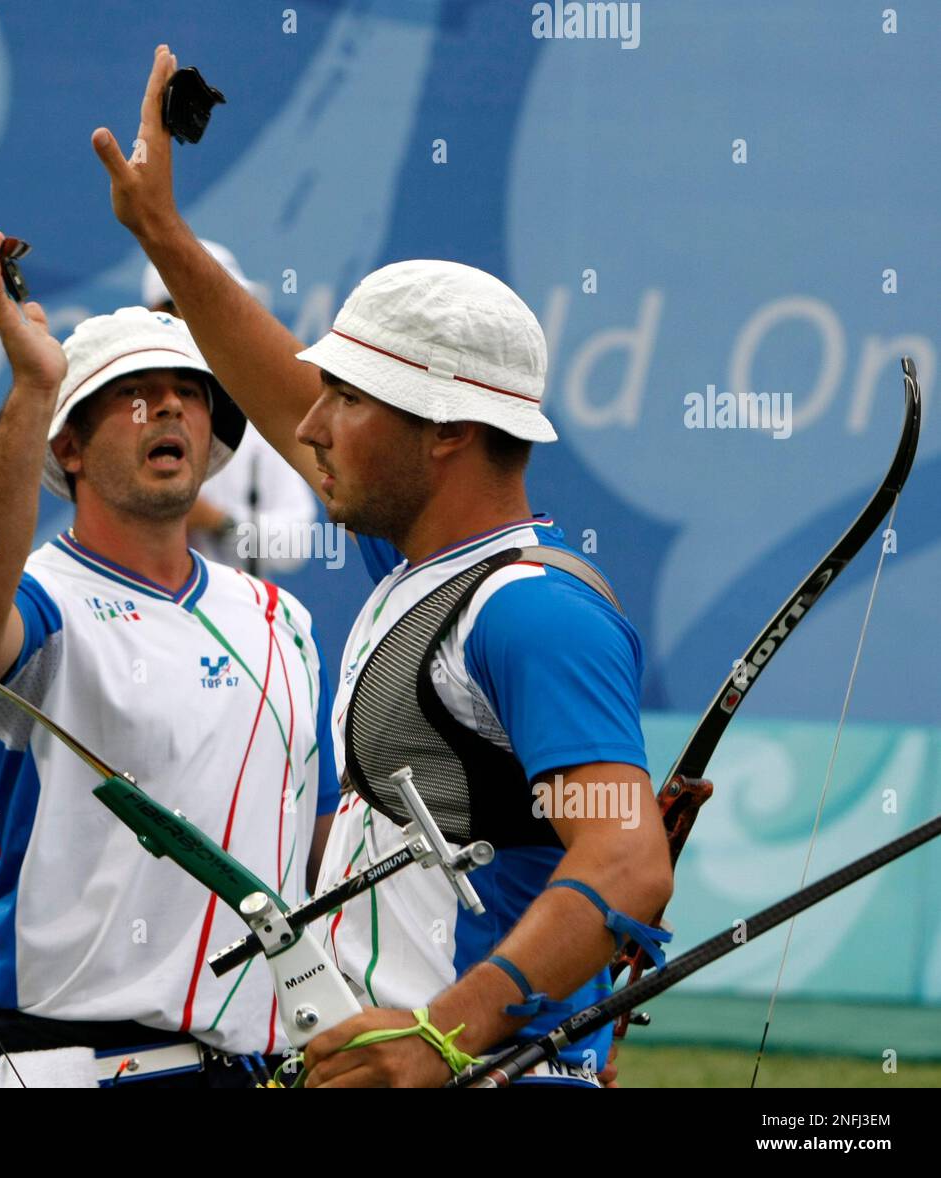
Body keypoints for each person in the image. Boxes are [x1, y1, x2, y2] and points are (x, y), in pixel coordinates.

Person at [88, 45, 673, 1088]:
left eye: (346, 397)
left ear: (444, 430)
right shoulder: (422, 570)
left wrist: (444, 1030)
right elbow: (274, 386)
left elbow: (626, 860)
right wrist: (163, 236)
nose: (309, 423)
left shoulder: (530, 612)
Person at [0, 224, 338, 1088]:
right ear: (67, 446)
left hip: (258, 1068)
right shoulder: (44, 602)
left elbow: (320, 836)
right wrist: (35, 389)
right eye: (136, 393)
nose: (172, 407)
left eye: (189, 391)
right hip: (71, 1059)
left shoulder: (283, 618)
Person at [142, 242, 318, 574]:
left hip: (238, 619)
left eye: (227, 306)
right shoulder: (125, 413)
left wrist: (220, 523)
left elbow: (297, 544)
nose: (222, 323)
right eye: (205, 305)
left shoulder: (257, 419)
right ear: (162, 314)